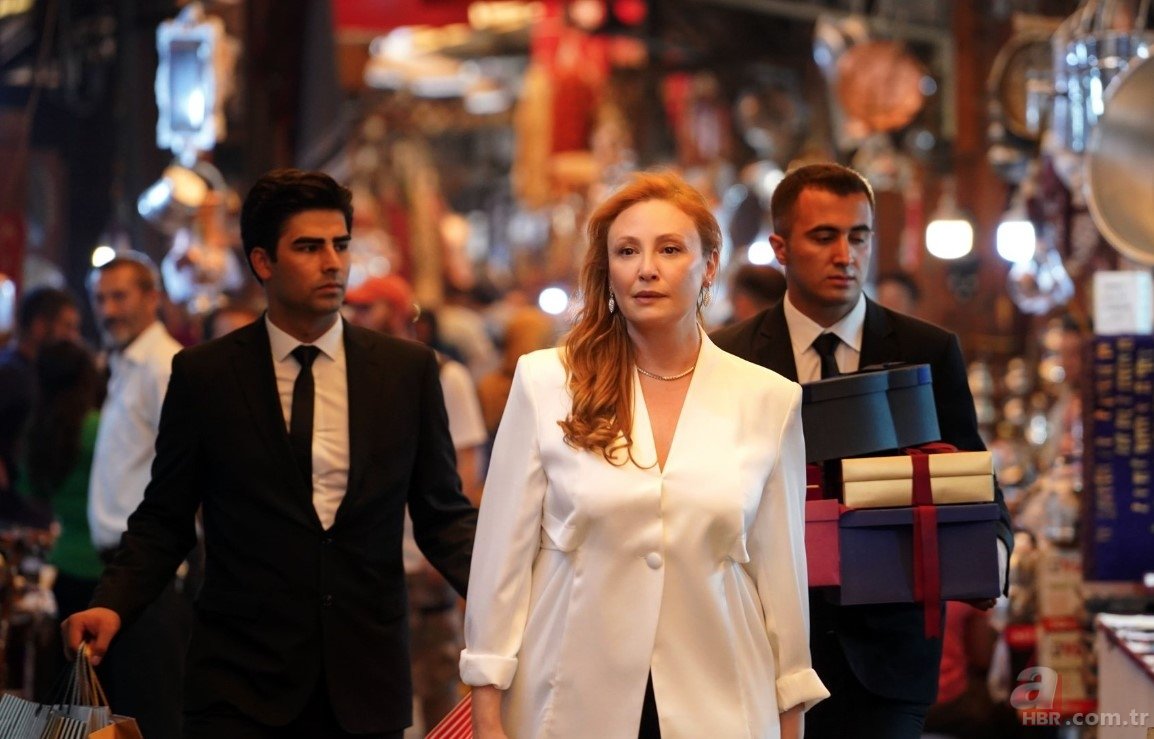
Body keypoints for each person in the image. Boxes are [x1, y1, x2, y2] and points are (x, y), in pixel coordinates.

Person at [63, 168, 478, 738]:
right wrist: (113, 603)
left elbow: (443, 516)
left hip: (365, 680)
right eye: (308, 247)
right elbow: (165, 517)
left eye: (340, 245)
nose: (332, 263)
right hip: (239, 683)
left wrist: (514, 604)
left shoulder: (405, 372)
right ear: (263, 262)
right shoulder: (206, 374)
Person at [462, 170, 827, 738]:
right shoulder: (546, 382)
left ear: (709, 265)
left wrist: (790, 712)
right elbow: (500, 560)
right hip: (570, 695)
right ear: (607, 268)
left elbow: (781, 575)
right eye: (627, 251)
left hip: (721, 696)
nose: (646, 269)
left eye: (670, 249)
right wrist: (487, 709)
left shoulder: (768, 399)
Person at [711, 162, 1013, 739]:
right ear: (780, 247)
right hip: (758, 647)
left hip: (890, 656)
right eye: (824, 237)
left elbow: (974, 480)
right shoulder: (729, 356)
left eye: (858, 236)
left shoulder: (928, 350)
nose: (844, 255)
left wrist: (991, 554)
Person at [345, 273, 486, 732]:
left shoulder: (445, 375)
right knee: (377, 686)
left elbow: (466, 465)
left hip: (427, 558)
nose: (355, 316)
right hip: (375, 558)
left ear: (394, 311)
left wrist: (442, 548)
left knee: (437, 678)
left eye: (367, 307)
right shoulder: (351, 374)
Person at [86, 251, 190, 738]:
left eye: (120, 296)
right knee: (124, 719)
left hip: (152, 575)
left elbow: (190, 471)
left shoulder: (162, 365)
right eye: (100, 298)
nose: (108, 310)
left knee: (151, 719)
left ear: (153, 298)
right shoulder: (127, 362)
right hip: (124, 572)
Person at [0, 286, 80, 515]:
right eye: (67, 327)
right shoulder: (9, 372)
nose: (74, 337)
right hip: (11, 511)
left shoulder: (41, 372)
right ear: (39, 326)